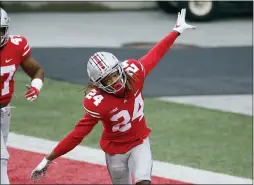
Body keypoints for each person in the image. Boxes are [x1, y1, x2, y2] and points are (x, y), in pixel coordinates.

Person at [30, 9, 195, 185]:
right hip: (115, 151)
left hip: (139, 142)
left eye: (115, 74)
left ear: (120, 68)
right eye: (106, 79)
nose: (114, 80)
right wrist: (49, 158)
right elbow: (78, 134)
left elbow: (155, 54)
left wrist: (176, 31)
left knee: (143, 181)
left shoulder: (134, 73)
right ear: (97, 83)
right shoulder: (98, 102)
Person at [0, 8, 44, 184]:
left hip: (5, 111)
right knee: (1, 157)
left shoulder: (17, 46)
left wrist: (36, 86)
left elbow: (37, 70)